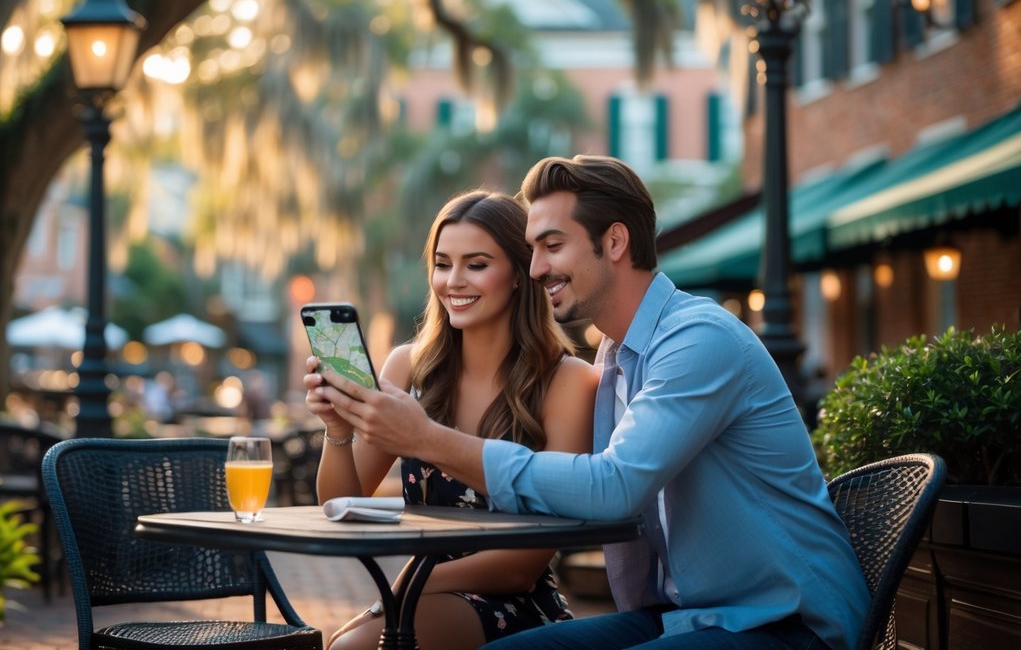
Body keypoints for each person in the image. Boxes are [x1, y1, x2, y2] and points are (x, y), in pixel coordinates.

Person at [315, 156, 870, 650]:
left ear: (615, 243)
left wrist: (427, 440)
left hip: (783, 623)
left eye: (552, 246)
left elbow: (612, 487)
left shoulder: (698, 339)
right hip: (682, 616)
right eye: (533, 250)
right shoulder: (615, 360)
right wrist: (341, 429)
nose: (536, 269)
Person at [304, 190, 597, 650]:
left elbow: (522, 566)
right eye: (443, 264)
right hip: (423, 593)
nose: (454, 281)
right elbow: (343, 507)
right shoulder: (407, 368)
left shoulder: (569, 381)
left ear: (520, 275)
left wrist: (406, 586)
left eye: (476, 264)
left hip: (515, 606)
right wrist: (337, 431)